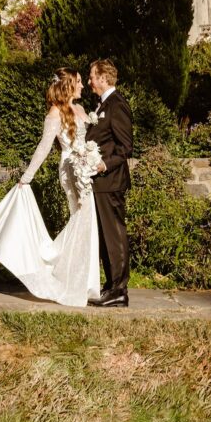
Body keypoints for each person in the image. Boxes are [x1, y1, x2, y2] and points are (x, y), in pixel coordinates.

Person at [0, 67, 101, 307]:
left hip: (86, 167)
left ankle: (81, 280)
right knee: (82, 218)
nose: (83, 85)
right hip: (71, 170)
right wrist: (27, 177)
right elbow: (44, 147)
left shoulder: (81, 109)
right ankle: (63, 274)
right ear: (68, 85)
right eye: (78, 81)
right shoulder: (54, 113)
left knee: (85, 220)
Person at [85, 59, 133, 308]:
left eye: (92, 77)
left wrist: (104, 165)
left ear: (103, 78)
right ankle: (111, 286)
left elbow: (126, 147)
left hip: (111, 181)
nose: (89, 82)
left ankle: (119, 290)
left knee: (114, 235)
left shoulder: (117, 105)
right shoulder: (103, 105)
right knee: (106, 236)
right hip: (101, 183)